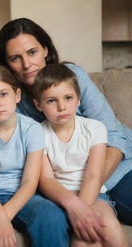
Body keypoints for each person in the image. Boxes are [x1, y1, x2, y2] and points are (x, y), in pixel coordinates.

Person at [0, 18, 132, 231]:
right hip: (65, 184)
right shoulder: (11, 102)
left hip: (116, 169)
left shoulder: (73, 76)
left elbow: (115, 137)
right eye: (15, 58)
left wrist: (86, 195)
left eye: (32, 52)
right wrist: (71, 199)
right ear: (6, 64)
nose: (27, 64)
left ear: (46, 50)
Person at [0, 64, 69, 247]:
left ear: (17, 95)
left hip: (25, 194)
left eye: (3, 94)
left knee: (52, 217)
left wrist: (5, 217)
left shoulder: (33, 129)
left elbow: (30, 181)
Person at [33, 63, 128, 247]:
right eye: (51, 101)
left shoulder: (94, 128)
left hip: (94, 194)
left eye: (68, 98)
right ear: (38, 104)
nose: (61, 106)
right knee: (82, 242)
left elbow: (94, 175)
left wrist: (83, 210)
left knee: (112, 232)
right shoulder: (37, 134)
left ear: (78, 100)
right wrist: (75, 208)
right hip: (60, 198)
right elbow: (46, 180)